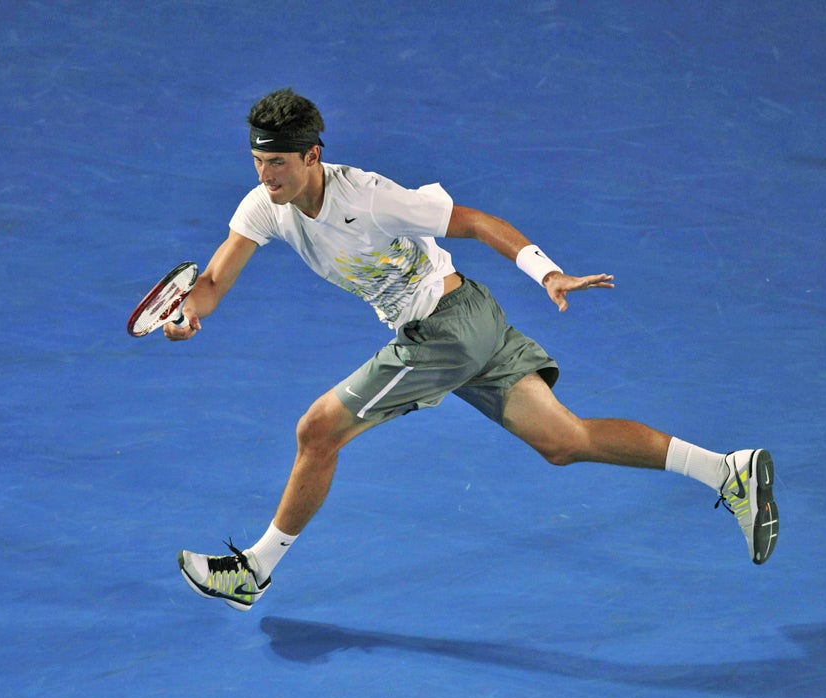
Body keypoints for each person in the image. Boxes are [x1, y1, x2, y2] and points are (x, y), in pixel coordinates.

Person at [169, 88, 779, 611]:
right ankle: (725, 470)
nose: (265, 175)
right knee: (565, 441)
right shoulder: (265, 207)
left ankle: (255, 569)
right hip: (471, 320)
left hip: (445, 331)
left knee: (317, 431)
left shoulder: (370, 197)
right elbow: (215, 280)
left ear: (312, 155)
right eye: (258, 161)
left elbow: (477, 222)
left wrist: (547, 272)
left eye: (277, 162)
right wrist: (189, 312)